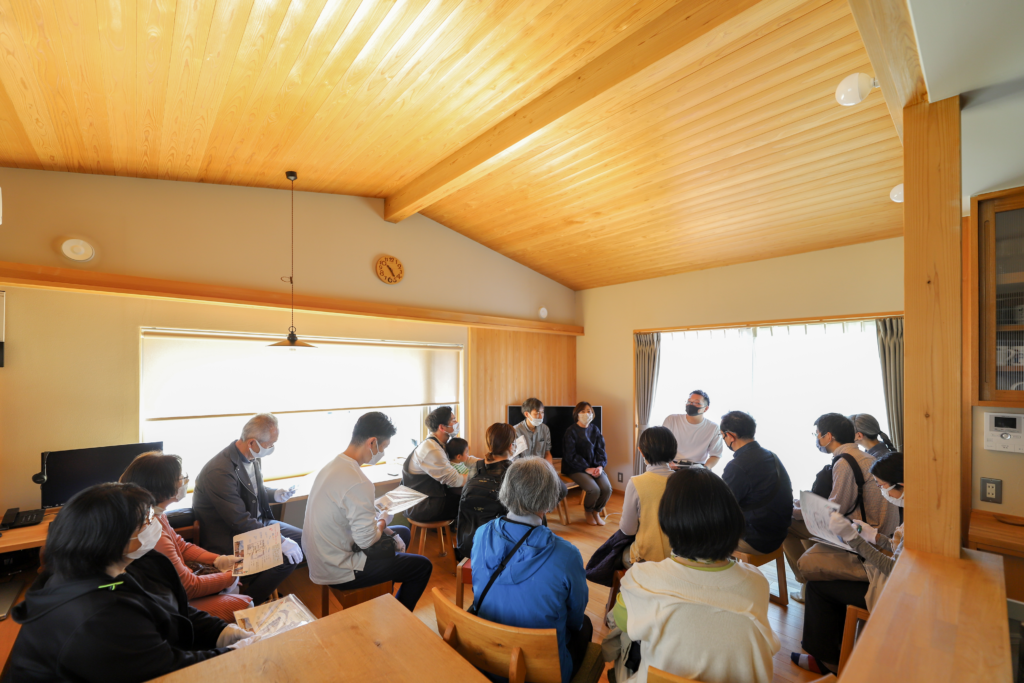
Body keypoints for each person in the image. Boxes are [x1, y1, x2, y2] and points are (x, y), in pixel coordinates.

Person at [6, 483, 255, 683]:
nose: (153, 525)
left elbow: (172, 606)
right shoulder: (97, 618)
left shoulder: (128, 563)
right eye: (145, 522)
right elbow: (166, 672)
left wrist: (221, 632)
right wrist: (233, 654)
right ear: (114, 539)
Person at [610, 468, 780, 683]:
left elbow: (622, 621)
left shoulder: (642, 579)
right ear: (732, 520)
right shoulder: (757, 582)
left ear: (669, 522)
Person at [471, 458, 592, 683]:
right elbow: (575, 618)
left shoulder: (481, 533)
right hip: (541, 671)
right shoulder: (566, 554)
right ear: (549, 499)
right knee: (586, 626)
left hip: (486, 654)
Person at [303, 412, 433, 612]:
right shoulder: (359, 481)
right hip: (339, 569)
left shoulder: (333, 466)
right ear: (372, 442)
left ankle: (383, 594)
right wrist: (383, 520)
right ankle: (399, 617)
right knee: (422, 566)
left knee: (403, 533)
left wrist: (380, 519)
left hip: (320, 557)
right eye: (384, 447)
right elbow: (366, 541)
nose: (383, 452)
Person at [794, 452, 905, 675]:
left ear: (901, 484)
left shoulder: (844, 463)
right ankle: (833, 650)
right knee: (825, 580)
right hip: (895, 581)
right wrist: (874, 537)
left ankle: (827, 661)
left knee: (818, 587)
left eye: (883, 486)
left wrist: (855, 540)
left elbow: (893, 569)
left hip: (893, 592)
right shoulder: (919, 509)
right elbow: (902, 551)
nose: (883, 492)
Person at [119, 451, 252, 622]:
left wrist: (219, 559)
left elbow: (181, 546)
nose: (184, 481)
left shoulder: (153, 513)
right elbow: (189, 587)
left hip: (169, 592)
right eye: (180, 478)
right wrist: (233, 575)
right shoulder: (150, 530)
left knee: (232, 588)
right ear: (162, 488)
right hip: (164, 606)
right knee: (245, 605)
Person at [783, 413, 899, 602]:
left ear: (828, 437)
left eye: (817, 434)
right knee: (802, 518)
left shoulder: (845, 462)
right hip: (880, 531)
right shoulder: (863, 456)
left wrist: (794, 511)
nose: (817, 439)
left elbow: (832, 510)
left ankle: (804, 580)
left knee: (786, 524)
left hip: (865, 537)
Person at [192, 413, 303, 606]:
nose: (271, 450)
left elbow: (252, 490)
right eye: (269, 446)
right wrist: (279, 540)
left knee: (305, 540)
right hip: (232, 537)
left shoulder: (251, 457)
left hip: (256, 525)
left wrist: (275, 494)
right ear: (252, 442)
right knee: (287, 557)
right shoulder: (220, 471)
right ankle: (247, 602)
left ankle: (261, 586)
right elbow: (239, 520)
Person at [719, 411, 794, 554]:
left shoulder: (737, 465)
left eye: (722, 436)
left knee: (696, 531)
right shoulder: (771, 456)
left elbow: (722, 509)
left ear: (730, 436)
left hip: (755, 539)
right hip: (778, 534)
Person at [403, 406, 481, 522]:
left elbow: (465, 459)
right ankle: (472, 538)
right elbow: (455, 480)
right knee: (477, 502)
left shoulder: (441, 444)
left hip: (433, 498)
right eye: (453, 420)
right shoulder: (432, 449)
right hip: (424, 506)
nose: (456, 423)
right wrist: (478, 478)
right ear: (442, 427)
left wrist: (486, 463)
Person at [456, 423, 515, 559]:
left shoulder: (476, 467)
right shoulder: (514, 471)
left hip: (468, 544)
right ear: (511, 445)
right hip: (501, 548)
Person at [619, 426, 676, 566]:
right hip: (682, 556)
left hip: (648, 558)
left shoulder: (636, 483)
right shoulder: (686, 481)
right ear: (674, 451)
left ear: (641, 451)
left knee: (617, 554)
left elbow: (628, 529)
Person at [563, 401, 612, 525]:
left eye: (589, 411)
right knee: (594, 489)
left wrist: (600, 467)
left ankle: (596, 512)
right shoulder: (571, 431)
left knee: (607, 488)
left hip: (594, 466)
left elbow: (601, 451)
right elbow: (570, 455)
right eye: (583, 411)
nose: (586, 414)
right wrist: (586, 468)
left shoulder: (595, 429)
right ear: (577, 414)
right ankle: (588, 512)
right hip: (575, 468)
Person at [662, 390, 724, 469]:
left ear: (706, 408)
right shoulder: (672, 419)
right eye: (689, 401)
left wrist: (705, 469)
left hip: (698, 468)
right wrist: (668, 463)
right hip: (672, 465)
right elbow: (662, 445)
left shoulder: (714, 428)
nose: (691, 405)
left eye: (697, 403)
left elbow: (715, 455)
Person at [512, 397, 554, 465]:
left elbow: (547, 453)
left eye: (542, 412)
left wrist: (549, 469)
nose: (541, 416)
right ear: (527, 414)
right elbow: (514, 457)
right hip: (522, 468)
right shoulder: (516, 431)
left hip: (540, 467)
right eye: (537, 413)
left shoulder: (545, 429)